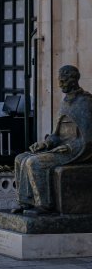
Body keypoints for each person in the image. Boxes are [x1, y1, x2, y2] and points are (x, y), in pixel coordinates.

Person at [13, 65, 92, 214]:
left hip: (76, 150)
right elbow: (57, 134)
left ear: (74, 81)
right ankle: (26, 202)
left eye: (64, 81)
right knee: (20, 158)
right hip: (60, 148)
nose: (60, 84)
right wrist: (46, 143)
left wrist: (69, 147)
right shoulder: (64, 103)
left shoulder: (85, 102)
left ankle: (44, 205)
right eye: (59, 81)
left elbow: (88, 138)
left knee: (34, 162)